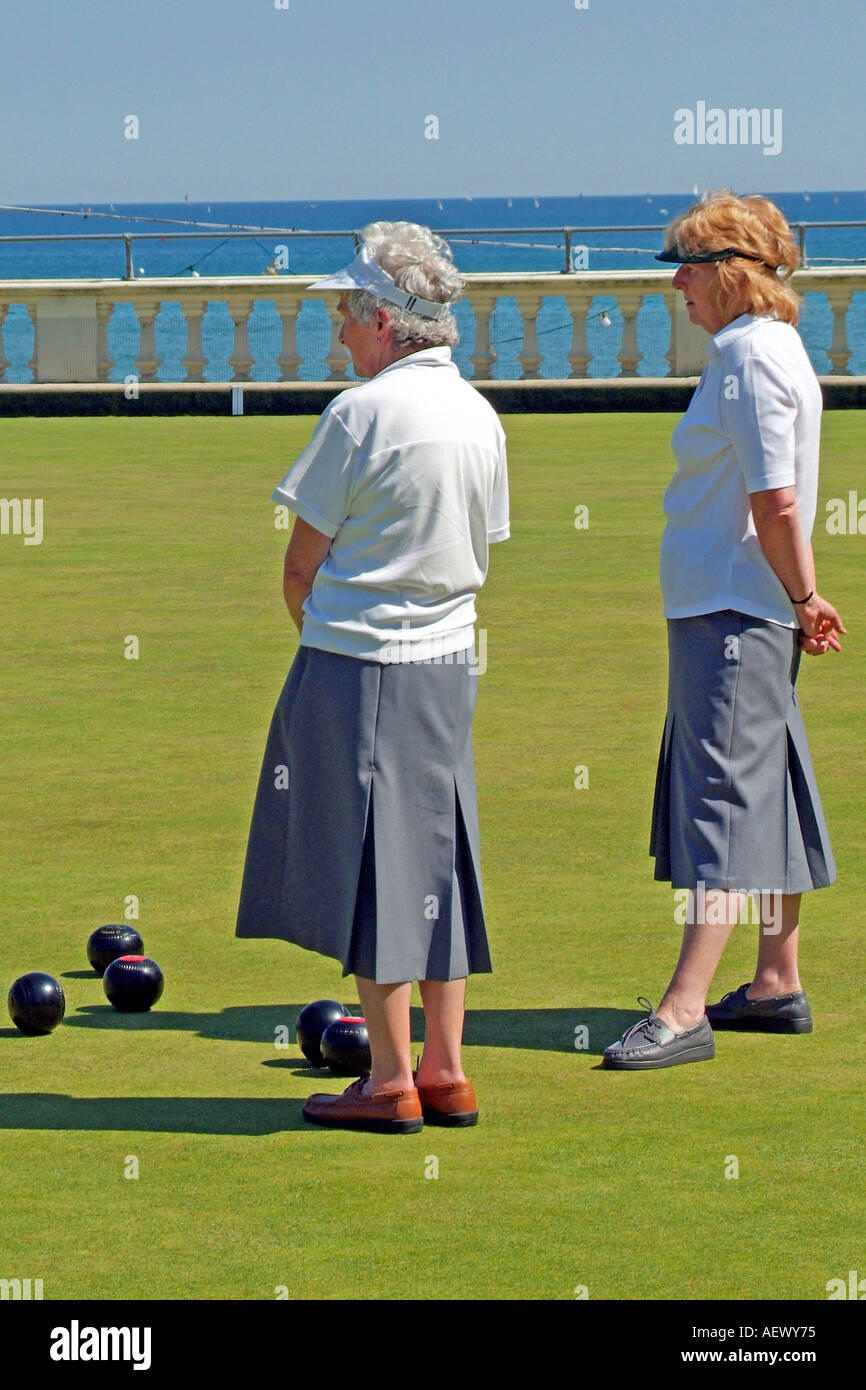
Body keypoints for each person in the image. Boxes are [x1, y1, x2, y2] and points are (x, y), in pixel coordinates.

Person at [236, 221, 509, 1130]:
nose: (341, 335)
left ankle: (390, 1082)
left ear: (387, 322)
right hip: (452, 665)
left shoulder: (361, 415)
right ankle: (446, 1071)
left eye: (350, 318)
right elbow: (481, 547)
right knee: (439, 854)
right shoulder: (479, 412)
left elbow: (299, 568)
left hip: (360, 665)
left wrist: (326, 653)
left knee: (377, 868)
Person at [603, 191, 845, 1071]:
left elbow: (774, 499)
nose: (678, 284)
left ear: (731, 275)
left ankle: (683, 1008)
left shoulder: (748, 358)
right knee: (766, 782)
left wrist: (806, 595)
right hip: (740, 601)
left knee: (724, 798)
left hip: (732, 606)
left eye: (690, 268)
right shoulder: (764, 352)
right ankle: (777, 977)